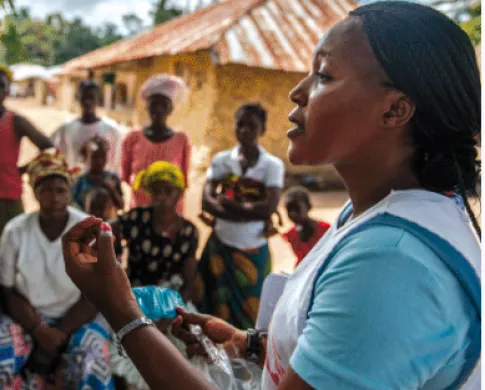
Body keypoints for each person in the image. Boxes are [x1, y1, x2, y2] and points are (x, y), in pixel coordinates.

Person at [62, 3, 481, 390]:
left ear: (395, 110)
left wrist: (122, 312)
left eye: (323, 76)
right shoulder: (369, 213)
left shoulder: (393, 264)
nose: (296, 93)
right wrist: (253, 345)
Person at [0, 150, 114, 389]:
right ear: (35, 193)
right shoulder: (15, 231)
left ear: (70, 192)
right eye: (46, 190)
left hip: (77, 317)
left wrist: (59, 334)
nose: (54, 198)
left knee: (91, 363)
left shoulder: (87, 229)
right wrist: (39, 330)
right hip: (28, 318)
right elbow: (8, 292)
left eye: (60, 190)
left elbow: (94, 295)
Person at [195, 103, 285, 329]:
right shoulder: (221, 161)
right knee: (213, 309)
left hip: (252, 251)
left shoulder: (272, 165)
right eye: (240, 125)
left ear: (262, 129)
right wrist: (249, 211)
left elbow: (269, 207)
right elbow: (206, 202)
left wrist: (228, 205)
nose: (245, 131)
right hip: (219, 248)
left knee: (251, 314)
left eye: (252, 126)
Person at [113, 161, 198, 303]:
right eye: (157, 192)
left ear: (179, 194)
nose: (162, 197)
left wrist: (171, 316)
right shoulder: (137, 218)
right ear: (150, 194)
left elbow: (188, 283)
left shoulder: (189, 232)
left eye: (169, 191)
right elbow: (109, 228)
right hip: (134, 297)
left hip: (169, 301)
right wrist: (114, 254)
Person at [121, 74, 190, 214]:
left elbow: (183, 181)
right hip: (139, 213)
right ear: (147, 107)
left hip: (170, 214)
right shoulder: (133, 138)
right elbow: (126, 175)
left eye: (163, 105)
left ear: (170, 109)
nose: (158, 109)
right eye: (154, 104)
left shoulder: (181, 140)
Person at [0, 64, 53, 235]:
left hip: (8, 196)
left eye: (1, 86)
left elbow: (48, 146)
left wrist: (24, 169)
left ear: (8, 90)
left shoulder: (15, 121)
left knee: (12, 247)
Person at [52, 79, 123, 174]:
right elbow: (60, 157)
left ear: (98, 99)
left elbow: (116, 163)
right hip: (75, 183)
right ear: (78, 98)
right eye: (84, 98)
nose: (87, 102)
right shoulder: (66, 128)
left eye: (91, 98)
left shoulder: (111, 129)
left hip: (101, 184)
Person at [71, 135, 123, 213]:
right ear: (85, 157)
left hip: (109, 223)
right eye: (94, 157)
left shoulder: (112, 178)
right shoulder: (80, 181)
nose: (99, 161)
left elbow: (121, 206)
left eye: (102, 156)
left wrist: (112, 190)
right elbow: (72, 207)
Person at [281, 187, 330, 268]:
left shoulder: (325, 230)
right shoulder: (292, 234)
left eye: (296, 209)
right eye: (289, 209)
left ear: (308, 207)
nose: (293, 213)